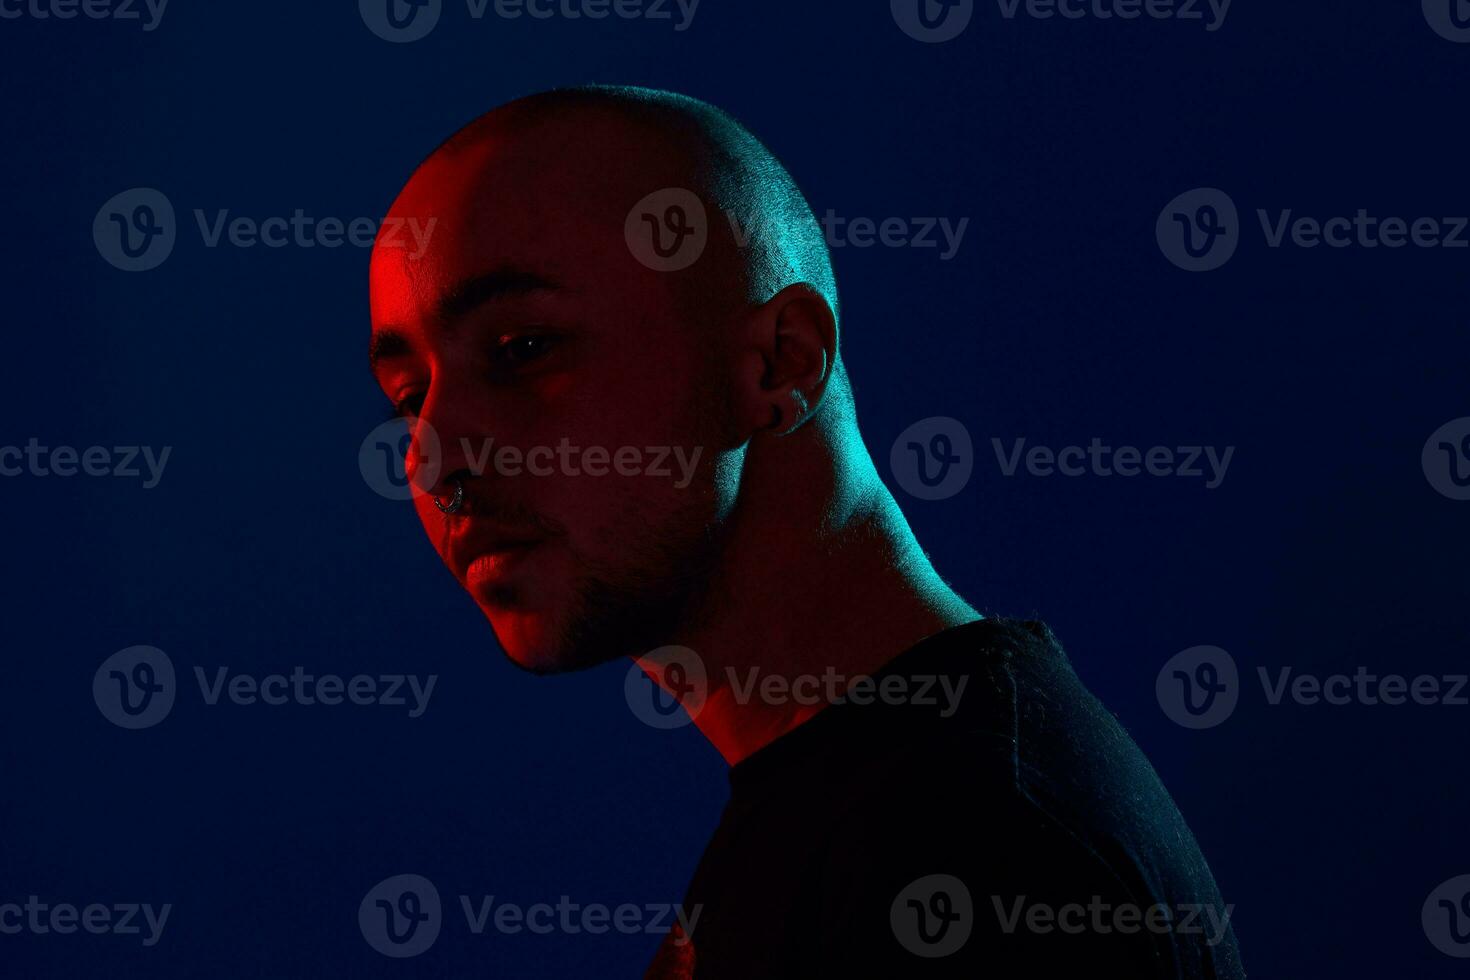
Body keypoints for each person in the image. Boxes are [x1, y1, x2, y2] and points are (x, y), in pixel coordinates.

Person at [367, 84, 1244, 978]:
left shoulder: (974, 849)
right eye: (409, 398)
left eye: (521, 349)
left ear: (780, 362)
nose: (433, 462)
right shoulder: (864, 817)